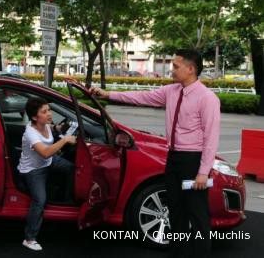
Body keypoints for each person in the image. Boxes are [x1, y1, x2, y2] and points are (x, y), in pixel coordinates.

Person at [90, 49, 220, 258]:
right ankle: (178, 254)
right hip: (174, 158)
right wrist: (108, 94)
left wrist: (203, 172)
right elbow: (142, 96)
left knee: (197, 215)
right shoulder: (171, 91)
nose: (172, 69)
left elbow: (211, 138)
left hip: (193, 160)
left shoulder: (207, 98)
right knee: (175, 211)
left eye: (176, 66)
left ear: (191, 69)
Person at [18, 97, 76, 251]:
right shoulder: (30, 133)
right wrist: (65, 141)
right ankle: (29, 238)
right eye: (44, 112)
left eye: (49, 110)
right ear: (35, 117)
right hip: (33, 170)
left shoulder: (44, 125)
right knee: (40, 200)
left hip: (49, 162)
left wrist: (59, 129)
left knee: (71, 169)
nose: (49, 113)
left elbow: (51, 130)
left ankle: (68, 199)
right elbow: (45, 152)